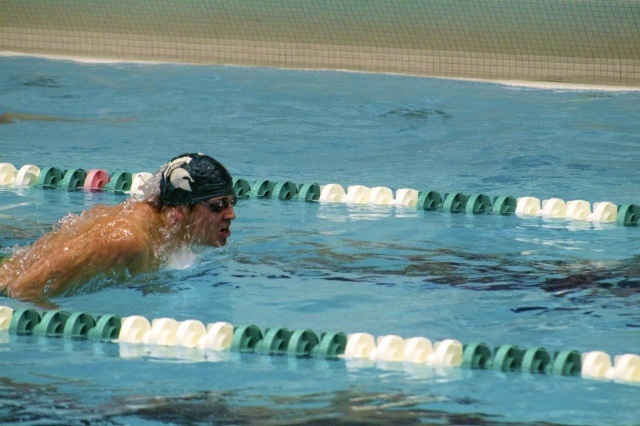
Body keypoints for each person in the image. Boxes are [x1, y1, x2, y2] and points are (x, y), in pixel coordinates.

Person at [0, 153, 237, 302]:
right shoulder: (125, 240)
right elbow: (24, 288)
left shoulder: (160, 226)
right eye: (218, 205)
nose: (231, 214)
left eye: (232, 202)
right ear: (181, 210)